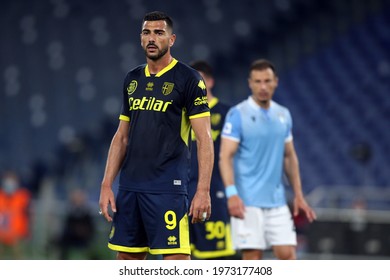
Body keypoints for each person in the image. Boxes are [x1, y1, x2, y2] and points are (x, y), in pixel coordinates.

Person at [98, 11, 214, 260]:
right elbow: (121, 136)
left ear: (171, 39)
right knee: (127, 262)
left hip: (167, 189)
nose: (152, 38)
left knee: (175, 263)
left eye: (159, 33)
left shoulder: (190, 80)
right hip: (130, 188)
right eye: (146, 32)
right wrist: (107, 184)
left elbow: (204, 138)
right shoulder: (132, 79)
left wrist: (203, 189)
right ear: (140, 38)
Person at [219, 59, 317, 260]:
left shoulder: (283, 114)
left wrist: (298, 194)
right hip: (247, 202)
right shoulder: (237, 114)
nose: (263, 87)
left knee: (288, 255)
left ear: (276, 82)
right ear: (250, 83)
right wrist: (232, 194)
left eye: (267, 81)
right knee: (253, 258)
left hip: (277, 201)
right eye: (257, 81)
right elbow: (225, 156)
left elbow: (289, 155)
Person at [188, 60, 235, 259]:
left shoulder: (227, 113)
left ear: (211, 81)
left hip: (215, 189)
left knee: (217, 255)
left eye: (201, 80)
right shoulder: (182, 113)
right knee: (183, 254)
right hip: (184, 189)